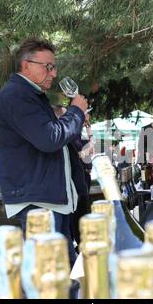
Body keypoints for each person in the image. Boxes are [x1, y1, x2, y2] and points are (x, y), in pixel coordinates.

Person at [0, 38, 88, 291]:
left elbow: (53, 137)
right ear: (26, 66)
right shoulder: (17, 95)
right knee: (49, 280)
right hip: (39, 203)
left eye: (54, 67)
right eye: (48, 66)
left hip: (47, 199)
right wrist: (76, 111)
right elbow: (49, 138)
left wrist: (75, 122)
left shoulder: (30, 94)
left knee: (60, 277)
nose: (53, 73)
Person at [53, 104, 93, 248]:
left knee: (81, 222)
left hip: (79, 185)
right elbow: (81, 153)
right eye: (66, 116)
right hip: (72, 189)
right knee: (75, 225)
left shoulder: (72, 135)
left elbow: (88, 146)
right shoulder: (65, 136)